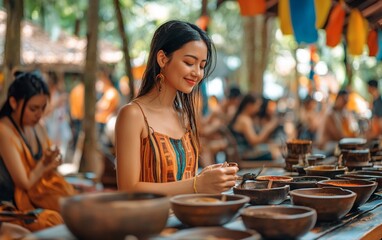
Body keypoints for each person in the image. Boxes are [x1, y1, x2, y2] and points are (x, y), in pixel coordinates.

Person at [115, 20, 238, 195]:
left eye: (202, 66)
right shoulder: (133, 115)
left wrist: (207, 177)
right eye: (189, 62)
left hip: (188, 216)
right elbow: (128, 189)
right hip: (151, 220)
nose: (197, 73)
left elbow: (182, 182)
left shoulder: (185, 117)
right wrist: (196, 184)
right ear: (163, 59)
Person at [0, 71, 75, 231]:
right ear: (13, 103)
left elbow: (47, 163)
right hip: (12, 206)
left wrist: (53, 160)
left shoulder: (36, 126)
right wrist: (45, 165)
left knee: (76, 205)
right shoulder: (4, 130)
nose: (39, 115)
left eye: (42, 108)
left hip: (38, 196)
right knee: (54, 220)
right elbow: (25, 183)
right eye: (33, 109)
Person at [228, 93, 280, 160]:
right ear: (249, 105)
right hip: (244, 154)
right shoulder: (244, 120)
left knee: (274, 149)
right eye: (257, 105)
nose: (258, 109)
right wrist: (267, 129)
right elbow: (254, 142)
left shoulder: (244, 118)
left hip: (244, 152)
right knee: (275, 153)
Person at [316, 89, 357, 154]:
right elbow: (338, 136)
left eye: (346, 101)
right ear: (338, 99)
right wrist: (354, 140)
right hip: (326, 146)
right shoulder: (330, 114)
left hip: (335, 143)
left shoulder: (342, 113)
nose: (345, 104)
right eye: (344, 100)